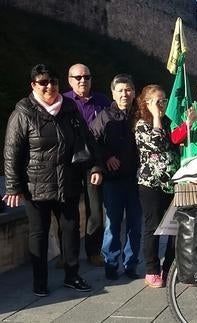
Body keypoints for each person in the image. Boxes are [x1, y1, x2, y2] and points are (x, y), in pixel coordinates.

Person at [3, 64, 102, 296]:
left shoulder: (69, 108)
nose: (49, 86)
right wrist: (13, 186)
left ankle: (72, 275)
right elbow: (11, 152)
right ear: (33, 85)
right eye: (43, 82)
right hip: (35, 185)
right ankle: (40, 281)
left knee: (70, 229)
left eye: (53, 82)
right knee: (38, 232)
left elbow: (87, 140)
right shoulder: (23, 112)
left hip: (67, 181)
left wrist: (96, 165)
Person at [90, 74, 142, 281]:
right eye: (120, 90)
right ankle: (111, 263)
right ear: (112, 93)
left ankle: (131, 263)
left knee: (135, 225)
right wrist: (105, 158)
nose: (124, 94)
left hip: (136, 180)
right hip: (113, 180)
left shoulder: (139, 116)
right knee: (112, 224)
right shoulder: (104, 116)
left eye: (128, 89)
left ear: (134, 92)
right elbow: (91, 141)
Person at [63, 63, 111, 267]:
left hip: (93, 162)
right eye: (78, 77)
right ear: (70, 80)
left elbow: (110, 132)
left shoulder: (102, 101)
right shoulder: (62, 101)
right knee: (67, 210)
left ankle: (93, 251)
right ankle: (68, 255)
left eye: (87, 77)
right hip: (69, 162)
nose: (83, 80)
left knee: (95, 209)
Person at [134, 85, 180, 288]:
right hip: (151, 183)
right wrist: (155, 116)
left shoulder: (168, 122)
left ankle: (170, 267)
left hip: (171, 182)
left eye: (163, 100)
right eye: (156, 101)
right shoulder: (142, 124)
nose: (161, 105)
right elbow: (157, 143)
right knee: (152, 226)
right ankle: (152, 269)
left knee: (173, 228)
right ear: (146, 103)